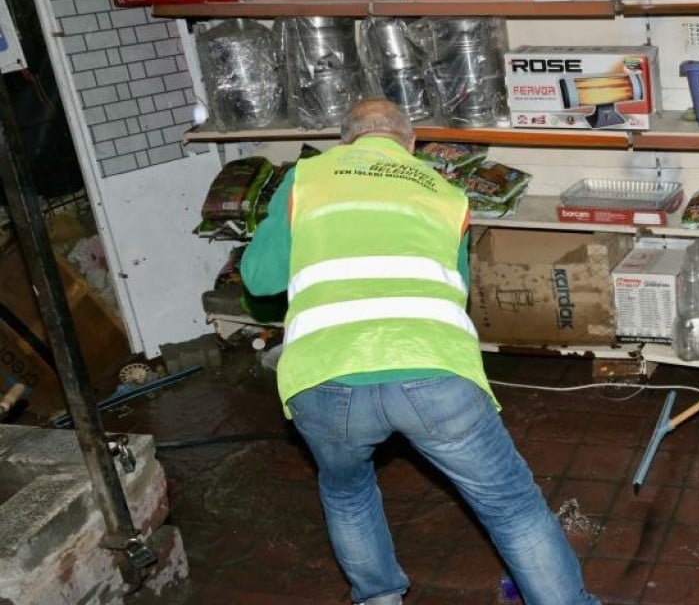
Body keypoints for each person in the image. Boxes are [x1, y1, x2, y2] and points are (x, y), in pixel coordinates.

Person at [240, 98, 600, 605]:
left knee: (348, 492)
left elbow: (259, 279)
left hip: (324, 378)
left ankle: (380, 599)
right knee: (512, 506)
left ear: (347, 142)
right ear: (410, 144)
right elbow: (458, 287)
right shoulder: (448, 194)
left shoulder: (307, 177)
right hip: (432, 371)